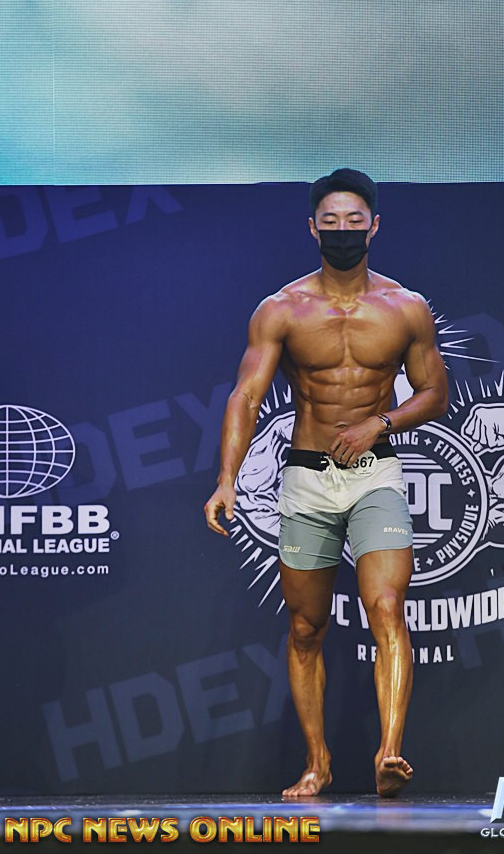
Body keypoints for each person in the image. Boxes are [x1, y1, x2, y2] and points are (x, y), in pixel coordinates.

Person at [204, 168, 449, 798]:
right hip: (307, 480)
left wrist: (379, 423)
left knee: (386, 605)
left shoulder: (405, 307)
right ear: (313, 229)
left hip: (375, 474)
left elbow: (434, 393)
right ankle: (318, 761)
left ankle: (389, 753)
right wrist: (227, 478)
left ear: (374, 226)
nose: (343, 230)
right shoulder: (281, 310)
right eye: (331, 221)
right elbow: (246, 396)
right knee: (306, 628)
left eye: (354, 220)